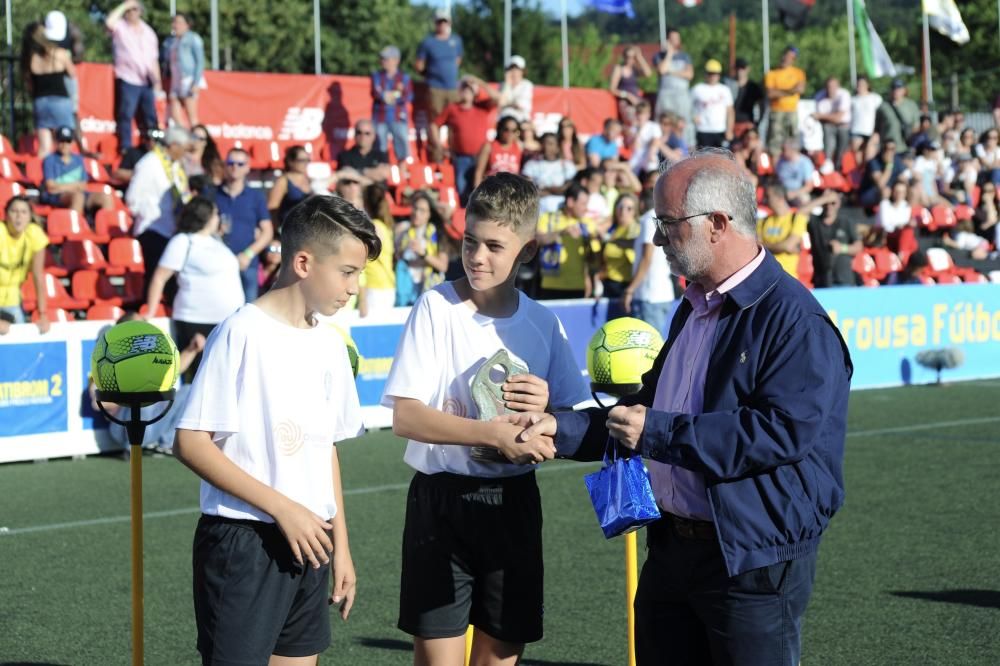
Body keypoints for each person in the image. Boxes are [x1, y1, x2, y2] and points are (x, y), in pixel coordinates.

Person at [504, 150, 852, 666]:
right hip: (672, 551)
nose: (658, 238)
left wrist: (658, 433)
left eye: (667, 223)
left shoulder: (794, 319)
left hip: (750, 561)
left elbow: (778, 432)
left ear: (716, 224)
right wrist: (561, 426)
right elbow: (644, 412)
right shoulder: (695, 306)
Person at [380, 172, 590, 666]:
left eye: (494, 245)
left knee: (500, 656)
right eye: (469, 241)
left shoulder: (542, 322)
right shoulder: (435, 307)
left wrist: (544, 412)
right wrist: (490, 434)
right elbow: (406, 418)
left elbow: (571, 421)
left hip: (514, 506)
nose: (476, 256)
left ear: (529, 250)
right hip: (441, 503)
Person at [174, 194, 381, 665]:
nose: (354, 287)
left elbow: (325, 448)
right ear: (304, 262)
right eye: (347, 272)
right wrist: (282, 509)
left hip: (311, 541)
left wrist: (341, 547)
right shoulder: (242, 331)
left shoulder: (330, 343)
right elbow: (189, 442)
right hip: (244, 543)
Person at [145, 196, 245, 380]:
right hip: (196, 320)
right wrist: (150, 311)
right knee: (199, 380)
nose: (218, 218)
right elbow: (160, 277)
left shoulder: (217, 242)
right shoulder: (183, 241)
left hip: (225, 321)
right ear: (205, 216)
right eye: (216, 214)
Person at [126, 126, 192, 296]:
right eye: (184, 148)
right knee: (155, 278)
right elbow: (132, 198)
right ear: (174, 145)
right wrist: (149, 211)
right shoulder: (149, 163)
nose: (185, 153)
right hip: (152, 229)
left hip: (172, 229)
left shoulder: (176, 167)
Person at [217, 147, 274, 302]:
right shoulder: (213, 194)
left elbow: (267, 231)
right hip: (218, 262)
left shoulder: (256, 196)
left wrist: (248, 254)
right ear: (225, 165)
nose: (235, 167)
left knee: (248, 313)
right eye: (231, 163)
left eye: (240, 164)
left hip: (247, 264)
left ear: (248, 167)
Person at [431, 76, 500, 203]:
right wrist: (439, 146)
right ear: (460, 91)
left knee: (481, 192)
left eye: (470, 89)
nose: (467, 92)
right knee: (463, 192)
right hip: (461, 157)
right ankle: (464, 218)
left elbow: (498, 98)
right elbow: (434, 125)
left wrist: (479, 82)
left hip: (482, 158)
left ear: (475, 92)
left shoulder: (482, 107)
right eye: (464, 88)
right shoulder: (452, 108)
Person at [105, 0, 161, 153]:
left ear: (140, 12)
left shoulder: (148, 32)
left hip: (146, 80)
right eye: (129, 10)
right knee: (126, 114)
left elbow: (153, 59)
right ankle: (126, 147)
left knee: (150, 116)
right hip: (128, 78)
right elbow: (109, 22)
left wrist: (158, 83)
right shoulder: (120, 27)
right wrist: (125, 5)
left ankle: (154, 145)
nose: (131, 13)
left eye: (134, 9)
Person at [535, 183, 599, 299]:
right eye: (583, 204)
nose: (586, 208)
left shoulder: (587, 224)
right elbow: (538, 240)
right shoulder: (548, 218)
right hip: (550, 285)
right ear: (570, 202)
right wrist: (561, 233)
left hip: (577, 286)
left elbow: (593, 258)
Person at [21, 22, 76, 157]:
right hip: (60, 101)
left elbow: (29, 85)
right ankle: (64, 175)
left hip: (40, 102)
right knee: (66, 143)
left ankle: (41, 176)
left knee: (44, 148)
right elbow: (72, 73)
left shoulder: (30, 58)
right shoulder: (60, 53)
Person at [623, 199, 675, 335]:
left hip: (649, 297)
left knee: (649, 350)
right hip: (659, 295)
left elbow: (647, 257)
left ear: (640, 204)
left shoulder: (648, 219)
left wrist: (630, 290)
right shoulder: (659, 217)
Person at [0, 196, 50, 335]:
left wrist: (43, 314)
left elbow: (38, 277)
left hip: (13, 300)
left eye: (23, 212)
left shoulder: (34, 234)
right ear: (5, 214)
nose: (18, 216)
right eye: (14, 211)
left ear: (29, 217)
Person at [41, 126, 115, 215]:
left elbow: (83, 185)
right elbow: (50, 186)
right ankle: (74, 226)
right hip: (57, 197)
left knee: (105, 197)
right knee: (78, 197)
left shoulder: (78, 159)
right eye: (61, 141)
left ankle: (106, 226)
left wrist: (61, 187)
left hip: (77, 193)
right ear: (56, 142)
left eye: (68, 141)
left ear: (72, 142)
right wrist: (75, 186)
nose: (64, 144)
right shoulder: (49, 160)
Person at [395, 191, 449, 306]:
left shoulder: (437, 234)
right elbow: (396, 259)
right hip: (406, 286)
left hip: (428, 287)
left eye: (422, 210)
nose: (417, 213)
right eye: (415, 208)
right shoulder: (403, 231)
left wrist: (423, 253)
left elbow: (443, 266)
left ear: (429, 214)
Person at [415, 8, 464, 121]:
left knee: (455, 119)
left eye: (444, 21)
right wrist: (430, 75)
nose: (442, 24)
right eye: (439, 21)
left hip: (453, 87)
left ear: (449, 23)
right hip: (435, 88)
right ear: (435, 22)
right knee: (435, 120)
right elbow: (419, 64)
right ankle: (435, 139)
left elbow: (458, 59)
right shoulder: (428, 42)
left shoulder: (456, 40)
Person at [806, 190, 861, 287]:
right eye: (826, 203)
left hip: (844, 279)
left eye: (833, 203)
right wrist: (824, 199)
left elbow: (858, 247)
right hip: (821, 279)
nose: (829, 206)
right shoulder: (815, 222)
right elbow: (801, 212)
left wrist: (842, 248)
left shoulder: (846, 222)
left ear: (839, 203)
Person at [599, 193, 640, 318]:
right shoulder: (614, 229)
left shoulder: (635, 228)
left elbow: (632, 255)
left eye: (629, 208)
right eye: (620, 207)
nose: (623, 211)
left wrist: (611, 240)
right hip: (609, 283)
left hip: (624, 286)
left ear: (635, 212)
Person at [371, 45, 414, 162]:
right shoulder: (377, 76)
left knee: (402, 143)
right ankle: (381, 169)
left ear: (396, 60)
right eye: (382, 59)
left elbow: (407, 96)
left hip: (398, 116)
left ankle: (403, 171)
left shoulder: (404, 77)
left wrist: (390, 95)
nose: (383, 61)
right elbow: (377, 93)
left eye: (386, 59)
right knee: (379, 145)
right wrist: (395, 94)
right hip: (380, 117)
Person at [757, 182, 807, 279]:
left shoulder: (796, 218)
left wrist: (765, 246)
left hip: (788, 278)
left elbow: (788, 246)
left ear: (779, 198)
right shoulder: (762, 221)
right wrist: (782, 246)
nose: (764, 199)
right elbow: (756, 247)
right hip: (766, 278)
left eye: (768, 196)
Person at [361, 182, 397, 316]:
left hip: (374, 287)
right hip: (387, 286)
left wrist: (363, 298)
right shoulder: (385, 226)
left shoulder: (373, 227)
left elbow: (362, 260)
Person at [653, 28, 694, 145]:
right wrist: (669, 53)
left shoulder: (685, 57)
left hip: (682, 96)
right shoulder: (659, 56)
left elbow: (689, 74)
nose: (675, 41)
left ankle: (685, 148)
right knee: (664, 121)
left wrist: (671, 72)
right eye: (672, 39)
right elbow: (661, 70)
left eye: (677, 38)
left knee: (683, 123)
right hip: (665, 96)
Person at [522, 132, 578, 215]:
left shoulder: (568, 166)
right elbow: (528, 190)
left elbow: (568, 190)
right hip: (538, 209)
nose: (546, 147)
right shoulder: (531, 165)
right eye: (544, 143)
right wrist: (557, 190)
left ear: (558, 147)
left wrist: (544, 190)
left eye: (550, 144)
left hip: (561, 211)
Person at [764, 46, 806, 155]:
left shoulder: (798, 73)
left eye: (789, 57)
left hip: (792, 111)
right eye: (785, 56)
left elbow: (800, 89)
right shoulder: (772, 73)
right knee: (775, 142)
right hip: (777, 111)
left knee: (792, 140)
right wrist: (791, 90)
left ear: (793, 59)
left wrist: (779, 91)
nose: (786, 59)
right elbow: (770, 93)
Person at [167, 12, 205, 128]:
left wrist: (196, 82)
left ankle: (198, 140)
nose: (175, 25)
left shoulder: (193, 38)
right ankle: (183, 140)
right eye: (174, 22)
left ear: (187, 25)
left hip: (188, 79)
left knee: (191, 116)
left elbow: (200, 61)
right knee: (175, 113)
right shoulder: (172, 41)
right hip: (176, 80)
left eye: (179, 22)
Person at [690, 59, 734, 149]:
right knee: (703, 159)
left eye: (715, 73)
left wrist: (729, 130)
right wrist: (693, 116)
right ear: (705, 73)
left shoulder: (725, 90)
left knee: (721, 159)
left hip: (720, 130)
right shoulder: (697, 89)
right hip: (702, 130)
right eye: (710, 73)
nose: (713, 76)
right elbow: (687, 106)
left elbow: (730, 111)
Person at [267, 145, 313, 228]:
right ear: (290, 161)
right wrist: (277, 232)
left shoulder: (309, 180)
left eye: (307, 160)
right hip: (288, 229)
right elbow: (272, 209)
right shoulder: (283, 181)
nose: (306, 163)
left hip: (307, 230)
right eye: (301, 160)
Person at [813, 77, 852, 169]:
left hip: (843, 126)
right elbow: (818, 117)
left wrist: (823, 116)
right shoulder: (819, 96)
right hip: (827, 126)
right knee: (827, 140)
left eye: (833, 87)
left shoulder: (844, 94)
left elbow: (838, 118)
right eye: (828, 87)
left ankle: (840, 167)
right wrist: (828, 117)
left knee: (842, 150)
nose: (830, 89)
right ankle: (828, 163)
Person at [474, 117, 523, 188]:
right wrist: (477, 190)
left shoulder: (519, 146)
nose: (510, 133)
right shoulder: (489, 146)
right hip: (492, 188)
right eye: (506, 129)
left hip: (512, 189)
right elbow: (479, 172)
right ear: (499, 129)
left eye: (514, 130)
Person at [337, 119, 391, 183]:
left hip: (378, 192)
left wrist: (359, 172)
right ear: (355, 134)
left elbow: (384, 173)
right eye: (359, 132)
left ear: (374, 136)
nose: (363, 136)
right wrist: (373, 174)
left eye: (367, 133)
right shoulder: (345, 156)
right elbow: (346, 175)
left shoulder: (382, 155)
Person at [875, 79, 920, 151]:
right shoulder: (883, 107)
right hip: (887, 150)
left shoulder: (911, 106)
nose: (896, 91)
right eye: (893, 88)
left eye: (899, 88)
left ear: (904, 90)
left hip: (906, 148)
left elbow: (916, 127)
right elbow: (876, 129)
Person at [727, 57, 764, 138]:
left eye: (742, 68)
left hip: (748, 125)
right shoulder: (727, 86)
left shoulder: (753, 87)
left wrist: (756, 123)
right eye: (737, 68)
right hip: (730, 125)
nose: (740, 71)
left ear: (748, 69)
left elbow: (761, 106)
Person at [774, 140, 816, 207]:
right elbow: (776, 178)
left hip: (797, 192)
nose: (781, 152)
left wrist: (794, 194)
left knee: (804, 201)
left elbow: (809, 186)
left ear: (792, 150)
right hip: (781, 189)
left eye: (784, 150)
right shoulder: (781, 161)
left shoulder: (805, 163)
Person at [610, 45, 652, 111]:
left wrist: (639, 57)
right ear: (624, 57)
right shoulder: (619, 69)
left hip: (637, 101)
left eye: (633, 57)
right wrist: (628, 96)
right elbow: (612, 89)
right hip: (625, 102)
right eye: (628, 57)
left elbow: (648, 74)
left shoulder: (634, 69)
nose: (630, 59)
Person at [185, 123, 224, 189]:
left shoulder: (211, 163)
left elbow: (217, 183)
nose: (197, 141)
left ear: (205, 142)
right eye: (194, 136)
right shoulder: (181, 157)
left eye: (201, 139)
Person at [498, 55, 533, 124]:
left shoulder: (527, 85)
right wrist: (507, 84)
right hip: (504, 121)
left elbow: (519, 105)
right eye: (511, 68)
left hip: (521, 121)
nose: (514, 71)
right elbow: (500, 103)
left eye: (517, 68)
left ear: (522, 71)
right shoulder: (503, 85)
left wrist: (507, 104)